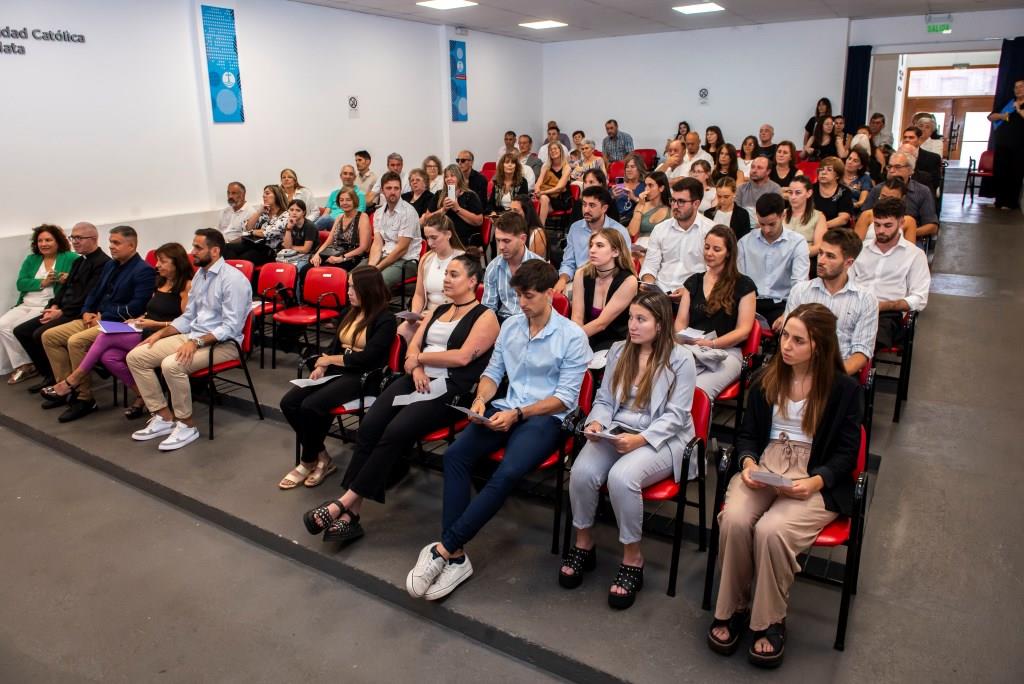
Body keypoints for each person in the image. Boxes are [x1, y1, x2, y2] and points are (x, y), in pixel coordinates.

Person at [405, 260, 591, 601]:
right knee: (456, 455)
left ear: (551, 294)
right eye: (518, 295)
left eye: (529, 296)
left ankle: (445, 549)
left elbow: (564, 399)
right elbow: (492, 374)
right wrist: (479, 401)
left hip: (545, 418)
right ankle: (457, 556)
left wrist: (518, 413)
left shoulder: (572, 337)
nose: (521, 303)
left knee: (506, 474)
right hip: (507, 407)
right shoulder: (512, 327)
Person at [302, 255, 499, 544]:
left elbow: (462, 357)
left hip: (450, 388)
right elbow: (410, 350)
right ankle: (350, 514)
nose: (446, 279)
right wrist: (417, 365)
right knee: (370, 426)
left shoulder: (486, 316)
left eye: (454, 274)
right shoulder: (436, 310)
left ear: (473, 282)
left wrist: (419, 358)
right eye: (445, 274)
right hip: (415, 379)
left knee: (395, 431)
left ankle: (344, 503)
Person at [708, 303, 862, 669]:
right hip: (767, 465)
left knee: (772, 531)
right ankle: (733, 606)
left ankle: (770, 620)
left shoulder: (844, 390)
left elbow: (846, 454)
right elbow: (746, 435)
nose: (786, 346)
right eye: (785, 337)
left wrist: (814, 482)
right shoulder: (766, 377)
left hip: (813, 472)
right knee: (734, 519)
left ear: (819, 347)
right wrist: (746, 463)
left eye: (797, 340)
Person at [562, 291, 696, 608]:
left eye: (640, 319)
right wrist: (596, 424)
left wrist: (639, 440)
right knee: (581, 471)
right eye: (630, 318)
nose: (632, 326)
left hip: (662, 436)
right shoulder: (620, 350)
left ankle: (633, 558)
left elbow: (677, 417)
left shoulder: (681, 359)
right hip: (618, 428)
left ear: (661, 324)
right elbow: (605, 401)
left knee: (622, 477)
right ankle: (584, 542)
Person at [127, 229, 253, 450]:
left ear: (214, 251)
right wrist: (161, 333)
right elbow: (188, 317)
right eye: (193, 246)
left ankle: (186, 425)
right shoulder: (200, 276)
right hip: (194, 335)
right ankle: (163, 416)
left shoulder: (233, 280)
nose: (192, 252)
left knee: (172, 365)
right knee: (137, 356)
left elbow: (230, 327)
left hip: (225, 344)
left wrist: (196, 342)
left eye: (197, 247)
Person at [277, 266, 398, 487]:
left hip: (364, 377)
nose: (348, 291)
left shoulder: (386, 319)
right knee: (289, 403)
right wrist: (322, 366)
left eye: (353, 287)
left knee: (311, 406)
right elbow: (335, 346)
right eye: (349, 286)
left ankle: (307, 461)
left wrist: (330, 361)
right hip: (338, 371)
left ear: (368, 289)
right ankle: (322, 457)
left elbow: (369, 358)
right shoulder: (349, 311)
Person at [41, 243, 192, 419]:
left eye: (162, 262)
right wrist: (140, 318)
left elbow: (185, 323)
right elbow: (152, 309)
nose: (157, 265)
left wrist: (154, 324)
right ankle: (142, 395)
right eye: (158, 261)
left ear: (177, 263)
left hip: (164, 334)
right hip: (143, 328)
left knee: (105, 336)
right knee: (108, 357)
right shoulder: (160, 282)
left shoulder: (186, 287)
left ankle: (72, 381)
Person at [41, 226, 154, 423]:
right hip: (95, 319)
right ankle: (65, 389)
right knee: (49, 336)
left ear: (132, 245)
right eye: (110, 242)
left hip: (118, 324)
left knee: (76, 342)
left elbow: (136, 307)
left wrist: (103, 316)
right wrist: (86, 311)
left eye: (116, 243)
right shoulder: (111, 265)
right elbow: (94, 292)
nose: (111, 247)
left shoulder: (143, 270)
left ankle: (84, 398)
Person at [14, 223, 110, 393]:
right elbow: (65, 288)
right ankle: (49, 375)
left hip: (78, 313)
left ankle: (67, 382)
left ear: (93, 239)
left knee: (40, 334)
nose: (74, 242)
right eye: (73, 237)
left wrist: (61, 312)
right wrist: (54, 304)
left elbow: (89, 296)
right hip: (64, 309)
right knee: (21, 331)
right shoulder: (79, 260)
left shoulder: (103, 263)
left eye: (79, 238)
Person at [674, 225, 757, 398]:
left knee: (695, 390)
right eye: (707, 247)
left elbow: (743, 331)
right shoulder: (693, 281)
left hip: (726, 352)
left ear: (728, 253)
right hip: (692, 347)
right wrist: (685, 339)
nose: (709, 253)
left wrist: (712, 344)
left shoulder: (744, 285)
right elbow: (681, 322)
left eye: (716, 249)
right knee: (665, 379)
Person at [782, 230, 877, 376]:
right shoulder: (800, 291)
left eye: (830, 256)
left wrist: (830, 377)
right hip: (798, 368)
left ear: (848, 263)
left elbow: (861, 352)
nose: (820, 260)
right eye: (820, 253)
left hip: (838, 373)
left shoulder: (865, 299)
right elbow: (787, 336)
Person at [850, 197, 930, 349]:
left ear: (901, 223)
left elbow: (919, 298)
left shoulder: (915, 255)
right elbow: (846, 281)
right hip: (854, 305)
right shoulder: (859, 249)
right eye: (877, 225)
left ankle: (858, 368)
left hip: (888, 313)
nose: (880, 231)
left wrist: (887, 305)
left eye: (887, 226)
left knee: (870, 334)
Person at [1, 225, 77, 384]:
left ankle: (34, 365)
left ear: (58, 241)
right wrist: (43, 282)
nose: (44, 244)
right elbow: (20, 284)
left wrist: (66, 278)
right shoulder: (31, 259)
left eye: (48, 240)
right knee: (2, 325)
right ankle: (25, 364)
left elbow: (78, 281)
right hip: (26, 303)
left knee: (17, 327)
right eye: (40, 240)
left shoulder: (70, 257)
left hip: (47, 306)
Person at [737, 193, 809, 327]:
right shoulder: (744, 242)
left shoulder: (797, 242)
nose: (766, 229)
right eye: (762, 224)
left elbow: (799, 285)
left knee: (792, 327)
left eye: (771, 224)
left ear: (783, 215)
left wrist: (788, 314)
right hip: (750, 302)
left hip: (782, 304)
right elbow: (738, 280)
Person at [640, 177, 714, 299]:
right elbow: (650, 265)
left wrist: (690, 291)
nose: (675, 206)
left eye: (681, 202)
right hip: (660, 292)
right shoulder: (660, 229)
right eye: (673, 200)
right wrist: (648, 282)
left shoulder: (711, 231)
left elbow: (714, 273)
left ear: (696, 204)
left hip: (695, 294)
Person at [397, 214, 465, 342]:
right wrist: (415, 313)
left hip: (451, 316)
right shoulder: (426, 259)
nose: (430, 243)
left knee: (421, 335)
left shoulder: (462, 259)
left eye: (434, 237)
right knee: (402, 331)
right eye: (427, 238)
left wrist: (432, 317)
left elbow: (463, 300)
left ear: (448, 234)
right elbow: (419, 294)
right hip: (426, 314)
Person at [570, 229, 638, 352]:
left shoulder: (628, 281)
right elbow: (577, 317)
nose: (592, 250)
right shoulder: (581, 274)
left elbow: (601, 324)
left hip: (617, 342)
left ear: (615, 252)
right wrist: (576, 344)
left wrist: (570, 339)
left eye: (599, 246)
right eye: (591, 245)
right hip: (587, 336)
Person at [556, 186, 631, 294]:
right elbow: (569, 262)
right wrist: (562, 280)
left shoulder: (619, 231)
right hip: (579, 280)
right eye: (584, 204)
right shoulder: (575, 228)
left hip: (609, 282)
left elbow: (624, 265)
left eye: (592, 205)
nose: (586, 210)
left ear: (604, 208)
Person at [482, 212, 543, 322]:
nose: (501, 247)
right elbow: (488, 308)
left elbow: (543, 309)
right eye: (498, 240)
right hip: (503, 320)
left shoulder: (539, 266)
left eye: (506, 241)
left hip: (531, 321)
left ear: (523, 239)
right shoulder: (493, 267)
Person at [861, 151, 937, 238]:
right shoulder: (878, 189)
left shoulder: (922, 191)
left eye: (897, 167)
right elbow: (864, 218)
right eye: (890, 167)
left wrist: (907, 232)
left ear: (910, 170)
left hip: (910, 237)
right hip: (877, 234)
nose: (892, 171)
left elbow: (932, 226)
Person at [368, 171, 423, 288]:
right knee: (354, 277)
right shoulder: (378, 213)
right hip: (384, 256)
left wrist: (378, 268)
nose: (393, 192)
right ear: (382, 191)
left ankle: (375, 306)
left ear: (400, 190)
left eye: (396, 188)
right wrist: (371, 267)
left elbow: (401, 249)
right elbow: (377, 243)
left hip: (406, 261)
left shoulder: (409, 212)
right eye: (388, 188)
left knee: (377, 282)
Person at [310, 188, 372, 272]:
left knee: (327, 271)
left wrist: (342, 258)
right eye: (341, 200)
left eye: (348, 200)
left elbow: (363, 247)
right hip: (334, 252)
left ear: (354, 201)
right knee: (307, 268)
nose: (344, 203)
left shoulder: (363, 217)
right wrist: (317, 254)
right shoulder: (339, 217)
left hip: (352, 256)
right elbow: (328, 241)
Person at [422, 164, 484, 247]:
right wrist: (443, 210)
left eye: (452, 176)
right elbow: (427, 219)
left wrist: (457, 209)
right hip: (442, 238)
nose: (449, 179)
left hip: (464, 239)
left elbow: (479, 221)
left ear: (459, 177)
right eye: (446, 177)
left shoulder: (470, 195)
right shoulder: (439, 194)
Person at [225, 184, 288, 265]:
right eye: (263, 194)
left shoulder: (285, 215)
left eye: (267, 193)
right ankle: (231, 273)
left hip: (270, 250)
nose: (264, 196)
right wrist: (259, 212)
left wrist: (252, 232)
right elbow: (247, 227)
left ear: (277, 196)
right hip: (254, 244)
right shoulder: (263, 213)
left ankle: (236, 273)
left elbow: (267, 233)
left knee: (243, 258)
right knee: (227, 248)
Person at [988, 78, 1024, 210]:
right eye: (1016, 87)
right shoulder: (1008, 103)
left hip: (1019, 146)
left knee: (1014, 173)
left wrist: (1019, 109)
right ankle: (999, 201)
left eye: (1021, 86)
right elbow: (991, 117)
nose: (1018, 89)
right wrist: (1002, 116)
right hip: (1003, 143)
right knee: (1000, 172)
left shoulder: (1018, 106)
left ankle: (1011, 203)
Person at [853, 178, 919, 243]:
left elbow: (910, 250)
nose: (886, 201)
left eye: (891, 198)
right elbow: (856, 246)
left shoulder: (909, 221)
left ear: (902, 198)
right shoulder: (867, 215)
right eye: (883, 196)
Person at [785, 177, 827, 256]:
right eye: (790, 192)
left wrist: (793, 254)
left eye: (798, 193)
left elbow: (819, 246)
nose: (793, 197)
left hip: (805, 261)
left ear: (809, 193)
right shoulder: (781, 214)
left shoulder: (819, 216)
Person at [276, 199, 319, 277]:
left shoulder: (309, 226)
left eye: (298, 210)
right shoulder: (289, 224)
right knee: (279, 270)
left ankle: (295, 289)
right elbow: (286, 246)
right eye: (291, 210)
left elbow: (306, 249)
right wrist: (289, 228)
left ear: (304, 213)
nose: (294, 213)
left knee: (295, 271)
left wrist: (291, 247)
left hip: (308, 256)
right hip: (293, 255)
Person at [317, 166, 368, 230]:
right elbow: (326, 212)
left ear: (355, 177)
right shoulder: (334, 193)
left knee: (325, 219)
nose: (348, 176)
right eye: (345, 173)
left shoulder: (360, 195)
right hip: (328, 223)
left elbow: (359, 215)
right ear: (341, 176)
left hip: (346, 224)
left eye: (351, 174)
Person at [628, 171, 671, 244]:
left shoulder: (671, 209)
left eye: (650, 185)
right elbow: (632, 232)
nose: (646, 189)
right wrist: (641, 206)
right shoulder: (641, 205)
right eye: (646, 185)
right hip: (640, 245)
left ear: (661, 188)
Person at [535, 142, 572, 226]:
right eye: (550, 150)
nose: (553, 151)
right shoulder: (546, 167)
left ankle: (540, 228)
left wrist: (543, 192)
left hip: (561, 198)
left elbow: (560, 187)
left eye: (555, 148)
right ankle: (541, 227)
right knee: (542, 199)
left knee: (542, 200)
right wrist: (537, 191)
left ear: (560, 151)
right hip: (547, 197)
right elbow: (538, 183)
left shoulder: (566, 167)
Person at [705, 177, 752, 242]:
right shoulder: (708, 213)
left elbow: (745, 241)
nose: (722, 200)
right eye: (719, 196)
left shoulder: (742, 214)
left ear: (734, 193)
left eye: (726, 197)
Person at [812, 157, 854, 229]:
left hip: (836, 233)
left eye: (829, 170)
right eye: (821, 169)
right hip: (812, 230)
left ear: (837, 176)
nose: (823, 172)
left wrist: (821, 226)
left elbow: (843, 219)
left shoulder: (844, 192)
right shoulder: (810, 189)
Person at [900, 126, 942, 193]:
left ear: (919, 140)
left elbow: (935, 183)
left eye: (911, 137)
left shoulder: (932, 158)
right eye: (905, 137)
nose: (907, 140)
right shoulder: (895, 156)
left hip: (921, 194)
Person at [611, 153, 647, 225]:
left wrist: (634, 198)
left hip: (630, 221)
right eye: (627, 167)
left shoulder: (645, 186)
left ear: (639, 168)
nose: (629, 170)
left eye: (632, 166)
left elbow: (648, 208)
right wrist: (612, 196)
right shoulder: (620, 182)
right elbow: (606, 203)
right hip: (613, 218)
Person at [509, 194, 548, 258]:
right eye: (511, 210)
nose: (512, 214)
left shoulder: (537, 234)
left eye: (516, 211)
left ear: (526, 212)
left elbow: (534, 264)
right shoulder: (511, 229)